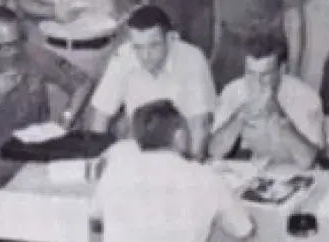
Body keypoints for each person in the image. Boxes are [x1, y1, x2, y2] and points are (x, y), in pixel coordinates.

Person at [0, 7, 93, 186]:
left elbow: (83, 83)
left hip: (31, 156)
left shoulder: (33, 54)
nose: (13, 52)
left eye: (17, 42)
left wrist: (65, 120)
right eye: (4, 47)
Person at [91, 100, 254, 242]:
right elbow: (244, 230)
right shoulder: (207, 178)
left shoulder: (114, 172)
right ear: (179, 136)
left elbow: (95, 222)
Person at [87, 5, 216, 159]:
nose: (145, 56)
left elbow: (199, 124)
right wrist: (95, 159)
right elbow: (101, 116)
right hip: (137, 151)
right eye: (138, 47)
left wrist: (192, 168)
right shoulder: (123, 56)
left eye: (154, 45)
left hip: (180, 152)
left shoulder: (192, 58)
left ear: (170, 38)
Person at [208, 33, 323, 168]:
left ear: (281, 70)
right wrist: (240, 116)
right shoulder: (233, 91)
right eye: (250, 73)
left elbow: (308, 161)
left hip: (293, 173)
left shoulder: (305, 96)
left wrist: (278, 116)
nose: (257, 82)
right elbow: (214, 152)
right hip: (251, 173)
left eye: (265, 75)